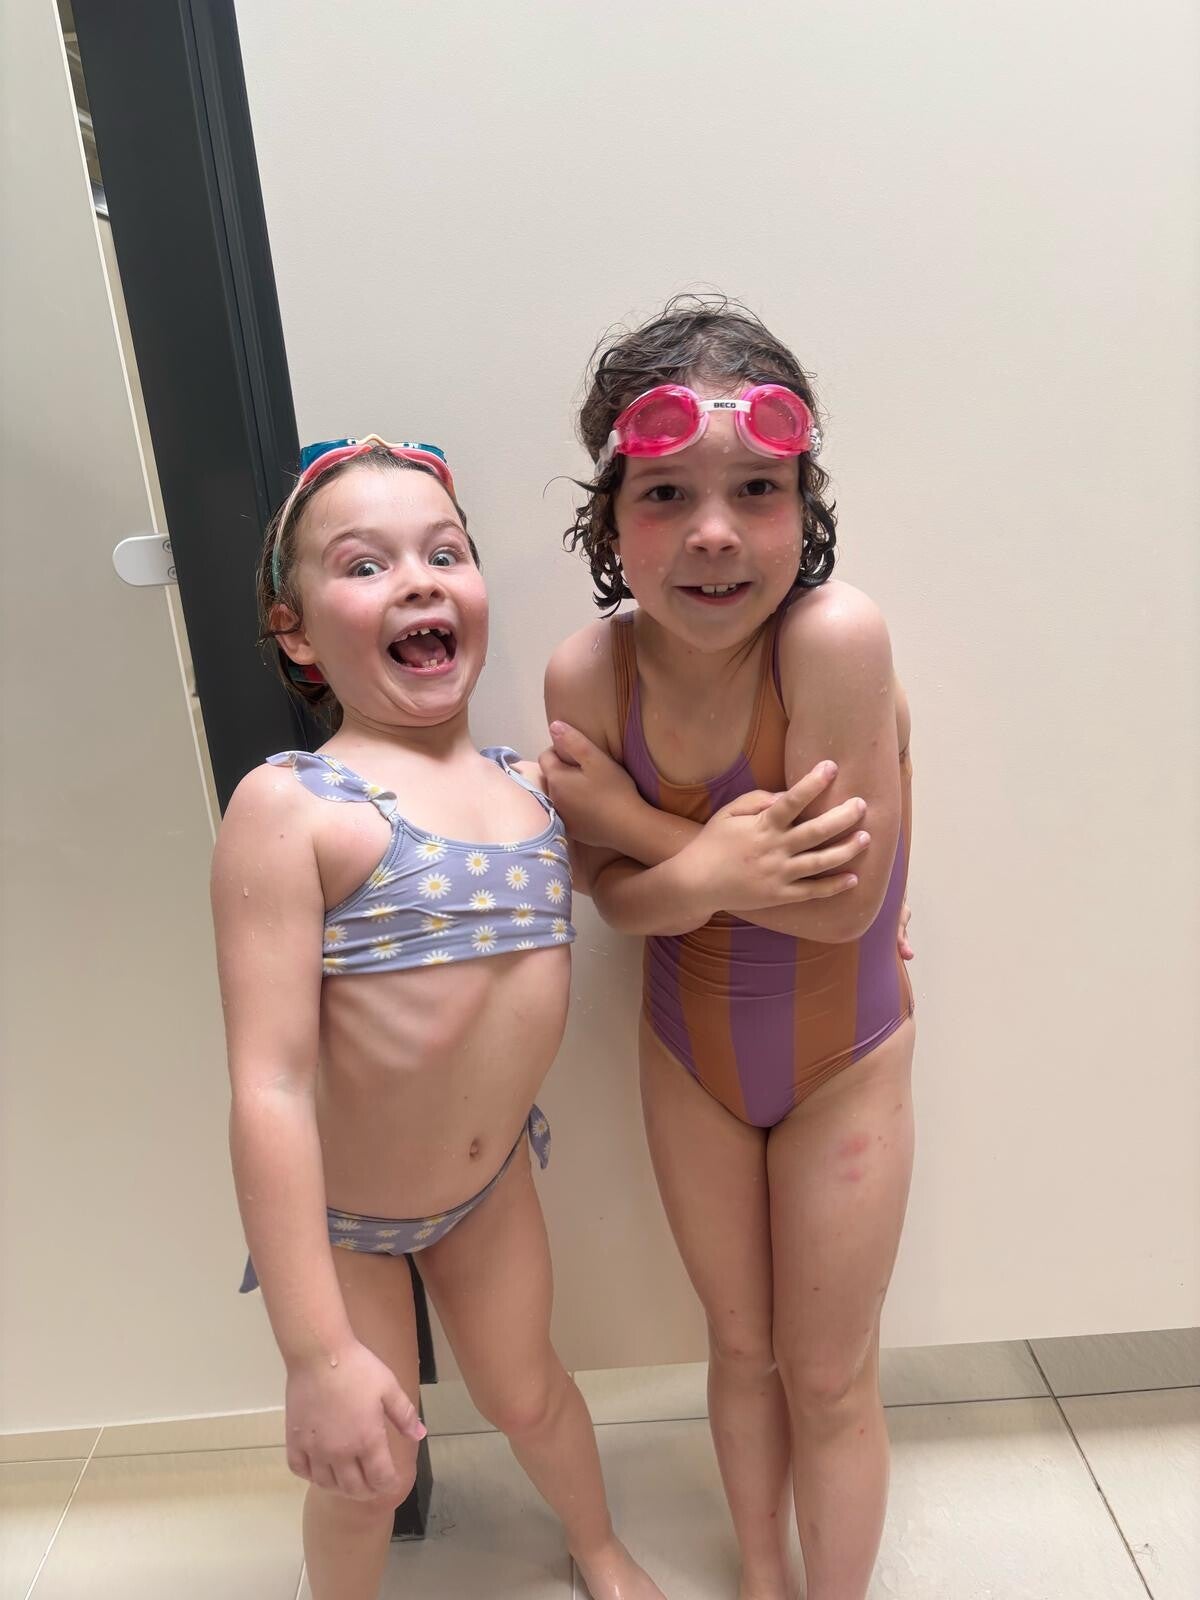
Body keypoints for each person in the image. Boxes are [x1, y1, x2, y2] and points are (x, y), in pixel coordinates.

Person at [211, 437, 665, 1600]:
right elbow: (268, 1084)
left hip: (487, 1188)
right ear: (296, 633)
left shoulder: (535, 786)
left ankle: (599, 1547)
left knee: (529, 1391)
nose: (417, 580)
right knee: (367, 1467)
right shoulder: (296, 806)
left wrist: (785, 888)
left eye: (444, 553)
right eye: (366, 565)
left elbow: (652, 883)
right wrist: (315, 1354)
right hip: (346, 1220)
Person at [542, 301, 916, 1600]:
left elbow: (840, 910)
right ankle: (763, 1576)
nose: (714, 530)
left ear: (804, 506)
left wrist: (660, 844)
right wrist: (692, 870)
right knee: (742, 1348)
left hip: (846, 1063)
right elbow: (610, 903)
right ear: (610, 521)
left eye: (757, 488)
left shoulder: (833, 641)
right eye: (667, 495)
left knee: (830, 1371)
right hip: (689, 1060)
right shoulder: (588, 676)